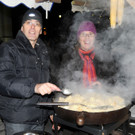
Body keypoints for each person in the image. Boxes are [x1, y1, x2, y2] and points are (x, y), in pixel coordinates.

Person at [0, 8, 61, 135]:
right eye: (29, 22)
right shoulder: (9, 48)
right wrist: (34, 87)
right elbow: (3, 81)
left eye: (37, 24)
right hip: (18, 120)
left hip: (39, 119)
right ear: (22, 27)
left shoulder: (43, 51)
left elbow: (46, 84)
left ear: (40, 30)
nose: (33, 27)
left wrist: (51, 112)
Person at [57, 21, 120, 135]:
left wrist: (103, 85)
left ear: (95, 37)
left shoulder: (104, 57)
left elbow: (114, 80)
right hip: (77, 113)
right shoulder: (69, 57)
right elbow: (62, 83)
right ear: (78, 38)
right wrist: (77, 89)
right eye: (83, 34)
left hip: (102, 111)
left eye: (90, 34)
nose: (87, 37)